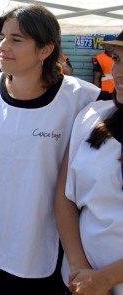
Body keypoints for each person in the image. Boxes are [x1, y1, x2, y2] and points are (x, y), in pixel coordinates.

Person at [0, 5, 100, 295]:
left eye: (16, 39)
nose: (2, 46)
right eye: (2, 37)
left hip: (38, 244)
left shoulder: (81, 99)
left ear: (45, 50)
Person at [55, 30, 123, 295]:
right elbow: (64, 197)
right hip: (79, 283)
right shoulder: (93, 116)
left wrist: (105, 279)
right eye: (117, 59)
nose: (117, 73)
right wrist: (79, 269)